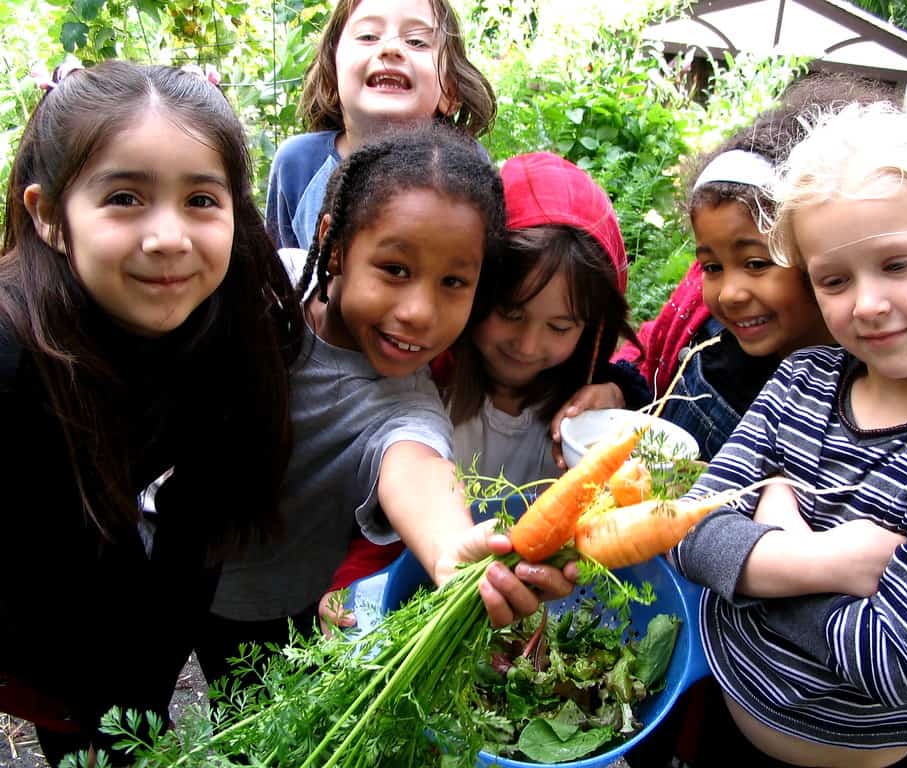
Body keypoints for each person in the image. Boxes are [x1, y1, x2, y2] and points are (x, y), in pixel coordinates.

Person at [673, 102, 907, 768]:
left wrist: (764, 539)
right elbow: (688, 530)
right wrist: (825, 561)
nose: (865, 303)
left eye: (897, 265)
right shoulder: (805, 377)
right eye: (834, 279)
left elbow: (889, 660)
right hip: (721, 726)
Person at [0, 60, 306, 765]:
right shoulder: (13, 356)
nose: (168, 236)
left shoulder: (242, 314)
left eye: (201, 199)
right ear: (48, 215)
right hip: (45, 625)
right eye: (125, 198)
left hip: (160, 567)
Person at [196, 124, 576, 687]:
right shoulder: (262, 289)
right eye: (394, 270)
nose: (420, 311)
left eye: (453, 282)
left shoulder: (405, 408)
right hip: (153, 561)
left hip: (264, 610)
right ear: (336, 244)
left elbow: (417, 468)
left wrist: (454, 553)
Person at [609, 75, 894, 461]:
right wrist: (618, 389)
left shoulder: (854, 394)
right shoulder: (703, 324)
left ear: (818, 259)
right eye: (711, 266)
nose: (729, 293)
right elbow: (646, 362)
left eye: (757, 263)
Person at [435, 151, 648, 486]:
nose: (528, 345)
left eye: (560, 327)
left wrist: (618, 398)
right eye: (510, 312)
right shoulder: (428, 384)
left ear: (592, 328)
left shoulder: (587, 404)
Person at [266, 0, 495, 250]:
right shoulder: (297, 164)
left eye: (417, 41)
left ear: (449, 91)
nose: (391, 48)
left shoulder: (468, 165)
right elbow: (283, 276)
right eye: (368, 36)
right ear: (333, 74)